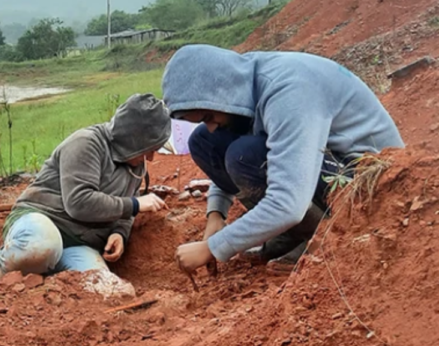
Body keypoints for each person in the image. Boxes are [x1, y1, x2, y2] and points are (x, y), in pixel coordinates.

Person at [161, 44, 405, 273]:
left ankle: (324, 238)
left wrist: (212, 248)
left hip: (368, 182)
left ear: (222, 93)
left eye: (208, 115)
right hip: (327, 157)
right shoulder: (243, 81)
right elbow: (222, 141)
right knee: (205, 142)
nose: (211, 126)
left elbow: (288, 202)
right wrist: (216, 215)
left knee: (244, 156)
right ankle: (293, 232)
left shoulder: (288, 92)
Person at [0, 93, 171, 285]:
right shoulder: (86, 144)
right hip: (43, 220)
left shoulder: (135, 165)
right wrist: (134, 205)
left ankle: (44, 280)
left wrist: (119, 233)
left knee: (112, 291)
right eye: (149, 150)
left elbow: (128, 206)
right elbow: (79, 202)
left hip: (79, 242)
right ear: (133, 140)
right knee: (40, 248)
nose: (151, 158)